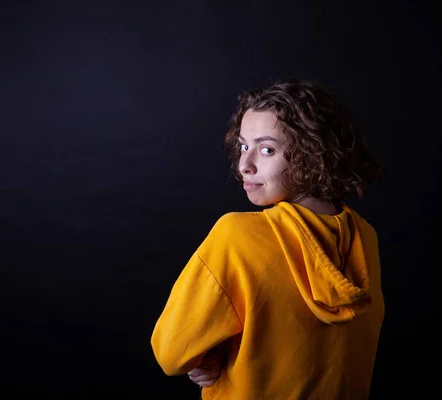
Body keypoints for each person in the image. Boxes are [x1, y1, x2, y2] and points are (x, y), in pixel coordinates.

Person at [150, 78, 385, 399]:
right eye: (244, 146)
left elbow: (171, 352)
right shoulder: (364, 237)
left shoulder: (237, 235)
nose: (245, 165)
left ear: (313, 154)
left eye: (266, 149)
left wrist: (204, 357)